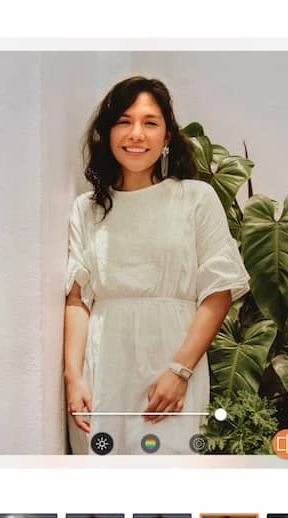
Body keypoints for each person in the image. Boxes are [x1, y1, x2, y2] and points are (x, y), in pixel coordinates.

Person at [65, 75, 249, 454]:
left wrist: (179, 372)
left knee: (169, 487)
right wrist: (73, 377)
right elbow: (78, 299)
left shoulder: (195, 199)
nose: (136, 134)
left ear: (167, 137)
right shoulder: (87, 209)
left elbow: (219, 291)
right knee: (103, 494)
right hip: (104, 368)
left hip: (172, 361)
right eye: (124, 121)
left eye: (150, 123)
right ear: (107, 132)